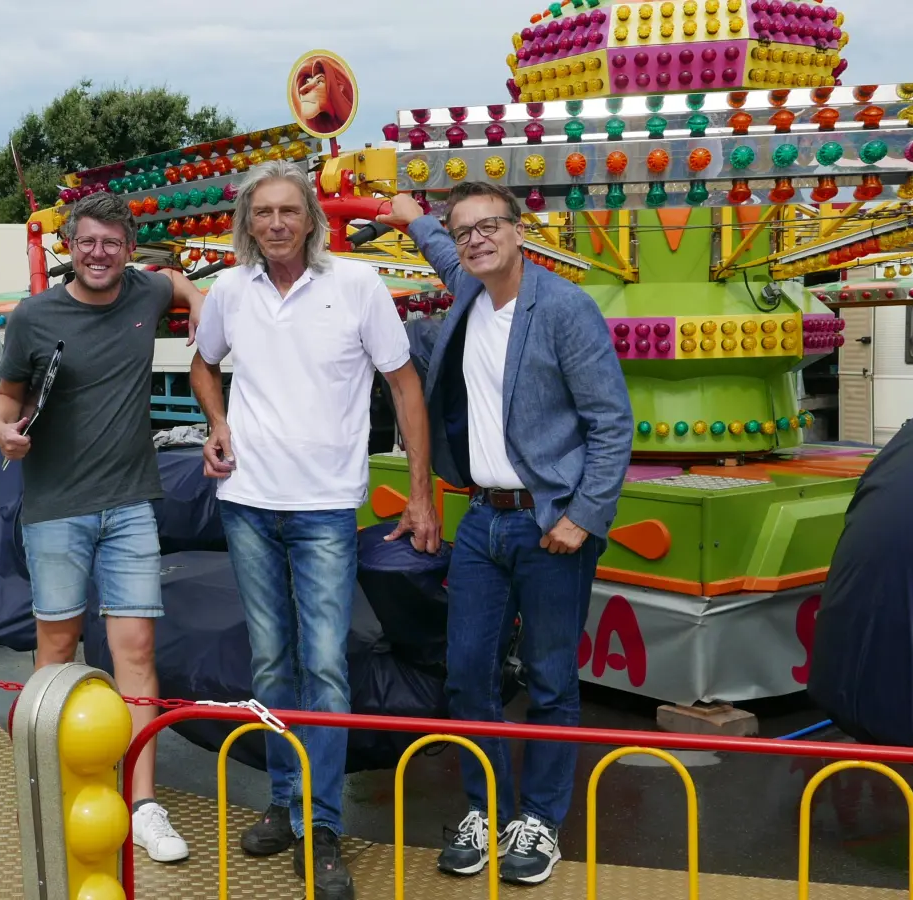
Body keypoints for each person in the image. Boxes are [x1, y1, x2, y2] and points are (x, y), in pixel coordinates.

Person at [189, 160, 440, 900]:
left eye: (288, 211)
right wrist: (217, 422)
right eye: (262, 212)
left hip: (327, 507)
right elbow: (205, 365)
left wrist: (419, 496)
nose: (275, 224)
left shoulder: (356, 287)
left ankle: (322, 826)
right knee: (271, 665)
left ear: (311, 219)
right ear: (247, 222)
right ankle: (286, 804)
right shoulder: (232, 292)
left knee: (325, 668)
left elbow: (405, 386)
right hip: (249, 503)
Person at [375, 184, 632, 885]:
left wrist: (583, 515)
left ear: (520, 232)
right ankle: (489, 810)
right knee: (467, 675)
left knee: (550, 680)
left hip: (549, 521)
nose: (475, 239)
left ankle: (540, 822)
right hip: (483, 518)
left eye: (490, 226)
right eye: (464, 231)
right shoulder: (466, 289)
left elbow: (613, 424)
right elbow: (437, 248)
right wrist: (411, 216)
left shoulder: (564, 310)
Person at [0, 191, 205, 865]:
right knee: (55, 649)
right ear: (71, 247)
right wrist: (3, 433)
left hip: (131, 504)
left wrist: (197, 301)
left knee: (136, 652)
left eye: (112, 242)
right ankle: (47, 786)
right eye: (87, 241)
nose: (99, 253)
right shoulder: (33, 316)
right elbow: (7, 403)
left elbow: (176, 279)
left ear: (127, 248)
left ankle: (143, 804)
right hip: (55, 505)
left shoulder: (144, 293)